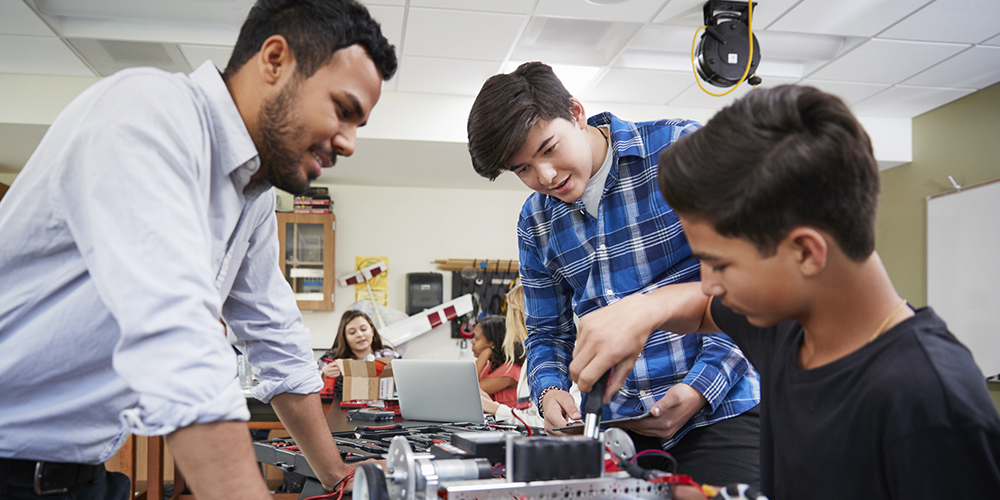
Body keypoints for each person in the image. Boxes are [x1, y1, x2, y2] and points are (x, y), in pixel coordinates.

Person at [0, 1, 396, 499]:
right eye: (343, 110)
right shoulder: (148, 112)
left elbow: (275, 336)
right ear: (274, 60)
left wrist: (337, 475)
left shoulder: (251, 193)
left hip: (80, 475)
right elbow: (177, 337)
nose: (350, 143)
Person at [569, 84, 1000, 499]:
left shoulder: (928, 400)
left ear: (806, 253)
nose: (710, 283)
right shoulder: (787, 328)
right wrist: (642, 310)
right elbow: (703, 309)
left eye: (720, 264)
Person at [466, 61, 761, 486]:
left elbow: (751, 289)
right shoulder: (535, 222)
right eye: (523, 170)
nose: (544, 176)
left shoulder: (680, 148)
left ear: (576, 111)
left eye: (548, 149)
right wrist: (550, 392)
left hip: (721, 411)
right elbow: (547, 333)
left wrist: (700, 389)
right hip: (617, 430)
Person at [479, 283, 581, 428]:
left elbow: (552, 423)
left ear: (521, 316)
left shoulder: (566, 357)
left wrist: (496, 409)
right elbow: (530, 415)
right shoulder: (531, 361)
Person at [319, 310, 400, 398]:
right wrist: (323, 374)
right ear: (345, 337)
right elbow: (309, 386)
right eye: (352, 332)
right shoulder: (330, 359)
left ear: (372, 331)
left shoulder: (391, 357)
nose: (360, 335)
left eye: (363, 329)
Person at [472, 314, 524, 408]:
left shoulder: (510, 370)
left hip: (507, 421)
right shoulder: (493, 365)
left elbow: (471, 390)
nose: (472, 342)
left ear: (492, 343)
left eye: (476, 338)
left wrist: (485, 353)